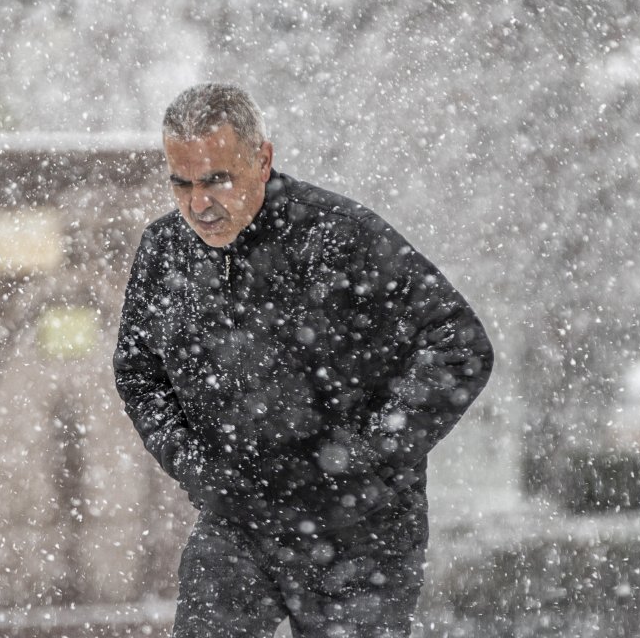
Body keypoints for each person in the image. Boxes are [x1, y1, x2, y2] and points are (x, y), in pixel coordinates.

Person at [113, 83, 494, 637]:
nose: (199, 203)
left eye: (217, 179)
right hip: (236, 521)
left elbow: (459, 344)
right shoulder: (165, 251)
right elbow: (137, 372)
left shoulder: (341, 237)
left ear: (262, 159)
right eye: (182, 183)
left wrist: (364, 455)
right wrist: (195, 465)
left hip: (359, 533)